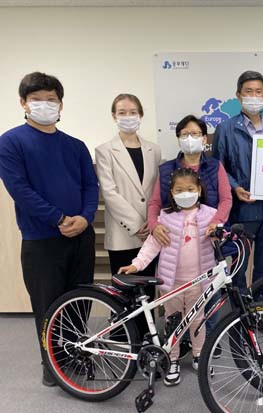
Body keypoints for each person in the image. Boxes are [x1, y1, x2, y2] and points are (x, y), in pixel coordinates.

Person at [0, 72, 98, 386]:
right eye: (37, 99)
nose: (45, 104)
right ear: (23, 103)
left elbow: (90, 186)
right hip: (42, 240)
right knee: (48, 305)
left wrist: (85, 218)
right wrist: (58, 219)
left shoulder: (75, 145)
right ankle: (52, 366)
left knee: (79, 301)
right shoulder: (11, 142)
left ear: (61, 104)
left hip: (81, 236)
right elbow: (20, 190)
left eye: (51, 100)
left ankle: (76, 354)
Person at [119, 168, 216, 386]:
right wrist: (136, 264)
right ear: (171, 193)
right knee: (172, 321)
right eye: (179, 190)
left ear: (199, 190)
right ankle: (172, 359)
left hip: (199, 281)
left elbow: (221, 237)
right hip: (171, 283)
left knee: (197, 320)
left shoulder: (210, 215)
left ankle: (199, 355)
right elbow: (151, 246)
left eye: (190, 189)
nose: (185, 193)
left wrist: (220, 235)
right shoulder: (165, 218)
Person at [147, 114, 231, 341]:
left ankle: (208, 341)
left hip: (207, 240)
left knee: (209, 293)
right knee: (176, 299)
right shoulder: (166, 170)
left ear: (204, 138)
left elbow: (226, 200)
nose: (190, 138)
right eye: (185, 134)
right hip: (175, 243)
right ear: (178, 139)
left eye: (195, 134)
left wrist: (216, 222)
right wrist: (154, 225)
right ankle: (180, 342)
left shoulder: (214, 166)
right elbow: (155, 203)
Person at [212, 70, 263, 294]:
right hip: (242, 208)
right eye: (248, 91)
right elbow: (218, 167)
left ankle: (262, 306)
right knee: (239, 264)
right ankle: (240, 310)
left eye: (258, 92)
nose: (254, 96)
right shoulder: (226, 129)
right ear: (238, 95)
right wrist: (235, 187)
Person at [95, 94, 161, 276]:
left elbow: (157, 190)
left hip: (150, 233)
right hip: (123, 234)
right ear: (114, 116)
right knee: (123, 288)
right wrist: (137, 225)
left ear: (140, 115)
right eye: (122, 112)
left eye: (133, 112)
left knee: (149, 288)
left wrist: (152, 221)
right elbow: (109, 193)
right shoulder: (104, 151)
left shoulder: (154, 150)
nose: (128, 117)